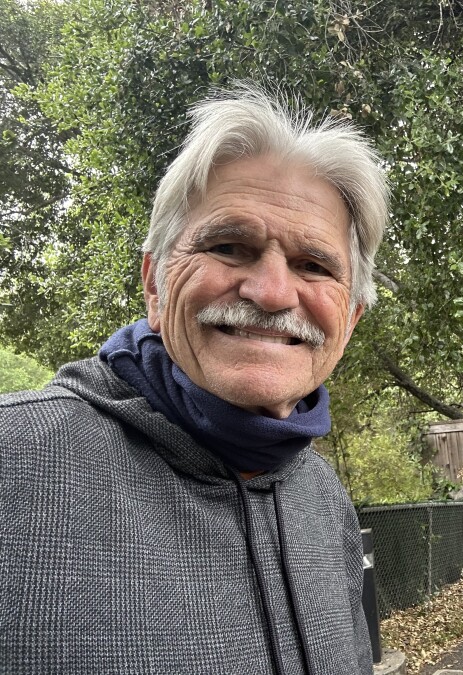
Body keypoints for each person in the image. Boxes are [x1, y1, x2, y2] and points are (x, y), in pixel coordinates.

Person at [0, 82, 389, 674]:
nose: (272, 292)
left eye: (313, 265)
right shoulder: (15, 464)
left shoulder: (323, 498)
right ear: (155, 286)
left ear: (350, 319)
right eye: (230, 247)